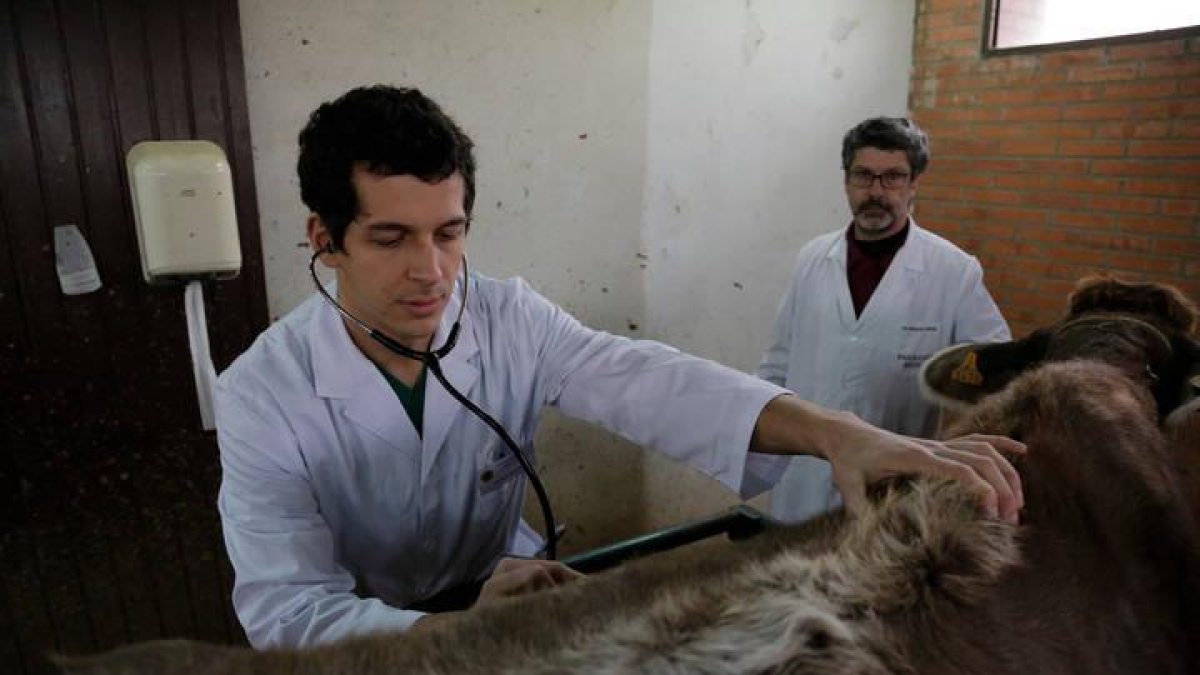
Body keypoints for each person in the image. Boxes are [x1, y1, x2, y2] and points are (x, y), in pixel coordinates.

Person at [215, 87, 1023, 649]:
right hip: (363, 641)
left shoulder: (507, 317)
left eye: (450, 233)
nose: (432, 272)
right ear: (324, 239)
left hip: (496, 588)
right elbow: (288, 607)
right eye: (392, 238)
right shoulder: (263, 392)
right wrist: (454, 631)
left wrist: (835, 434)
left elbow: (647, 380)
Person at [758, 116, 1012, 524]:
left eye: (893, 177)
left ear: (914, 183)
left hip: (894, 487)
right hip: (803, 476)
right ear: (846, 181)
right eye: (863, 176)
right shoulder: (812, 258)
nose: (876, 192)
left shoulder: (954, 271)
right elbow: (777, 365)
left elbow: (998, 379)